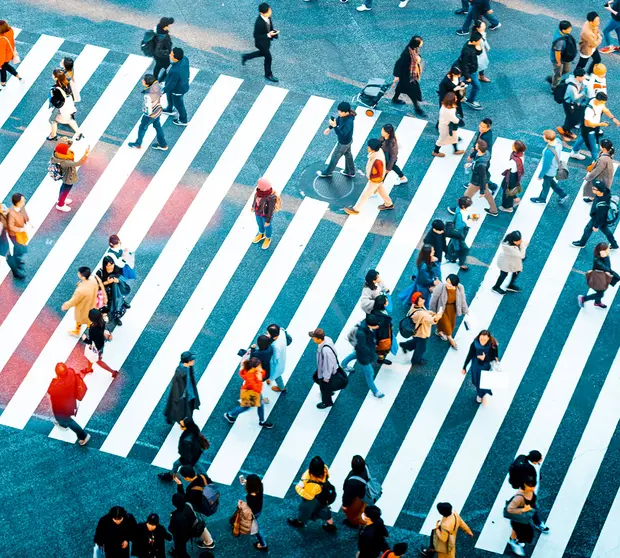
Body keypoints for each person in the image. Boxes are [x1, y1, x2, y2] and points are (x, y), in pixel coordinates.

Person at [287, 456, 337, 531]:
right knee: (324, 510)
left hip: (314, 499)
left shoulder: (310, 482)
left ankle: (300, 522)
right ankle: (331, 525)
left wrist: (299, 487)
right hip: (324, 495)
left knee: (305, 510)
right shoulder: (325, 469)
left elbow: (309, 496)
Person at [344, 139, 394, 215]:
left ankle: (355, 209)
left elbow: (378, 172)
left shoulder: (377, 160)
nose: (368, 148)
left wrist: (372, 179)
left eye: (369, 147)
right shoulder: (377, 151)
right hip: (377, 179)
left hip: (375, 179)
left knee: (365, 194)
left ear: (372, 148)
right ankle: (389, 203)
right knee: (381, 189)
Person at [341, 315, 385, 398]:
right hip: (364, 356)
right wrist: (371, 355)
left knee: (354, 354)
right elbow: (362, 349)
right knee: (369, 373)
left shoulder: (366, 324)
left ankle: (343, 364)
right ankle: (375, 391)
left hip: (365, 350)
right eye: (376, 325)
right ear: (369, 325)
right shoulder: (361, 334)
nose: (377, 326)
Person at [47, 362, 90, 445]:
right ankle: (62, 425)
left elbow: (50, 391)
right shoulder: (70, 372)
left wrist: (55, 379)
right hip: (70, 401)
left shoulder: (57, 386)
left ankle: (83, 435)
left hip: (61, 407)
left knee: (66, 419)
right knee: (62, 418)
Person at [224, 357, 274, 428]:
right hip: (250, 393)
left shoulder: (253, 372)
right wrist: (259, 378)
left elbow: (262, 373)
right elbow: (257, 388)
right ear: (254, 367)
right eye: (259, 366)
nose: (260, 367)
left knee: (259, 405)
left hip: (251, 391)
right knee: (246, 407)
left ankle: (262, 421)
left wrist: (260, 374)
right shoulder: (251, 376)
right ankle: (229, 414)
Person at [569, 92, 620, 161]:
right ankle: (597, 161)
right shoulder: (589, 110)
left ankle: (574, 152)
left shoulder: (597, 101)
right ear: (599, 101)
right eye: (603, 102)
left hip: (594, 127)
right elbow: (587, 124)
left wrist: (613, 118)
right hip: (589, 129)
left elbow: (604, 109)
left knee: (583, 137)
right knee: (594, 147)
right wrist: (601, 124)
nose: (604, 104)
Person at [572, 180, 619, 249]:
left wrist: (596, 226)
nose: (592, 189)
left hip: (597, 219)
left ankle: (582, 243)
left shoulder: (602, 205)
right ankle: (614, 245)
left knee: (588, 229)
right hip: (603, 219)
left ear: (600, 191)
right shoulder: (604, 193)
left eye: (594, 189)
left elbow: (600, 217)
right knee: (606, 231)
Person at [399, 291, 441, 365]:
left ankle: (405, 345)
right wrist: (438, 316)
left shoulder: (414, 306)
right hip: (422, 333)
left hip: (416, 331)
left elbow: (424, 313)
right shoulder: (421, 314)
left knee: (417, 342)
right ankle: (416, 360)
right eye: (421, 301)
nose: (423, 301)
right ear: (416, 302)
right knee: (421, 348)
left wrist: (429, 313)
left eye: (422, 299)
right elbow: (432, 320)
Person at [128, 73, 168, 151]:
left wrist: (147, 114)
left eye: (143, 80)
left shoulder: (147, 95)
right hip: (158, 110)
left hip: (150, 115)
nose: (142, 81)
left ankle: (138, 144)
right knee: (158, 127)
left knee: (142, 128)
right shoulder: (156, 86)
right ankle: (163, 144)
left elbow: (148, 107)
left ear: (147, 83)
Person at [317, 101, 356, 179]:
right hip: (347, 141)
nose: (339, 113)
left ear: (346, 112)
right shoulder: (343, 116)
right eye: (339, 111)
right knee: (348, 155)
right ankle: (350, 171)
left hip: (343, 143)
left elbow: (342, 134)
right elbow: (338, 120)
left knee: (335, 157)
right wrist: (329, 128)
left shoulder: (349, 122)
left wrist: (334, 126)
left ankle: (327, 172)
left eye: (340, 112)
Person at [241, 3, 279, 83]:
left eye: (270, 10)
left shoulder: (267, 17)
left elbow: (269, 26)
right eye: (268, 12)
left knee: (262, 53)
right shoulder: (259, 23)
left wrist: (273, 33)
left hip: (267, 42)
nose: (270, 12)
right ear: (262, 13)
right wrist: (268, 35)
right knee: (268, 57)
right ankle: (268, 74)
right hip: (261, 44)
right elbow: (256, 36)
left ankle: (246, 56)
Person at [529, 130, 568, 205]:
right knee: (550, 182)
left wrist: (541, 175)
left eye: (544, 137)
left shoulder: (548, 152)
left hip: (549, 171)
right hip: (555, 167)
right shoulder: (558, 141)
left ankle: (542, 199)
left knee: (545, 185)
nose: (543, 137)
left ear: (547, 139)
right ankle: (562, 194)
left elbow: (546, 166)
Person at [51, 139, 90, 212]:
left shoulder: (57, 154)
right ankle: (60, 205)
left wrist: (68, 141)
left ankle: (60, 200)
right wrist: (86, 154)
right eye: (67, 150)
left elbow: (68, 145)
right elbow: (78, 163)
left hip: (65, 176)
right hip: (69, 177)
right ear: (64, 152)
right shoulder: (65, 161)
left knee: (63, 187)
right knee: (66, 190)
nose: (68, 150)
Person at [430, 274, 468, 350]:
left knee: (451, 323)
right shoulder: (441, 287)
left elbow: (462, 299)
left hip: (452, 308)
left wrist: (465, 309)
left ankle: (439, 331)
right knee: (446, 324)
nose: (447, 284)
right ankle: (451, 339)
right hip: (442, 308)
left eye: (450, 283)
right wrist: (433, 312)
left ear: (454, 283)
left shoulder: (460, 288)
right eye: (447, 281)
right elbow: (433, 300)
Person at [61, 266, 101, 336]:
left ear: (83, 277)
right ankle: (93, 330)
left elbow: (73, 301)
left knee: (79, 320)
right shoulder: (93, 280)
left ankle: (77, 331)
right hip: (93, 304)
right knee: (90, 320)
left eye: (79, 273)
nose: (78, 273)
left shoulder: (80, 290)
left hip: (83, 308)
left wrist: (65, 306)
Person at [391, 36, 426, 117]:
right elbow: (398, 63)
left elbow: (417, 56)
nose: (421, 45)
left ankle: (395, 98)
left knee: (400, 87)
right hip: (407, 76)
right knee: (413, 92)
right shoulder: (406, 54)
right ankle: (417, 108)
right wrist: (396, 76)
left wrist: (419, 58)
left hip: (408, 74)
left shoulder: (413, 48)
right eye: (420, 43)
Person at [461, 329, 499, 404]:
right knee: (475, 381)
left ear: (488, 338)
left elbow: (495, 357)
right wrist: (464, 367)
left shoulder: (493, 345)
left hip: (486, 366)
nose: (482, 341)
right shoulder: (474, 344)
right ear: (479, 337)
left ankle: (480, 394)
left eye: (484, 340)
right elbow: (470, 355)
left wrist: (485, 358)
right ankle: (482, 392)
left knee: (482, 381)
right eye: (481, 339)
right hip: (475, 365)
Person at [164, 351, 201, 426]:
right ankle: (181, 420)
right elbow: (176, 388)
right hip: (184, 396)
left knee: (189, 408)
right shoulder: (179, 373)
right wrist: (178, 399)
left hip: (190, 393)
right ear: (187, 361)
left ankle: (183, 419)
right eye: (192, 360)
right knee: (181, 410)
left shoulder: (189, 367)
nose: (194, 361)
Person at [505, 474, 538, 556]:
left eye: (533, 486)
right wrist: (524, 509)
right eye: (530, 486)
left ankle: (513, 540)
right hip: (519, 518)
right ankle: (514, 542)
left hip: (523, 518)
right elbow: (510, 509)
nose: (533, 488)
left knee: (520, 531)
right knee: (525, 533)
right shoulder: (519, 497)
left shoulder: (529, 492)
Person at [579, 242, 619, 308]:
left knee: (601, 290)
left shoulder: (600, 257)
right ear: (601, 251)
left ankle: (597, 302)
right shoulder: (597, 259)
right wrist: (606, 257)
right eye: (606, 250)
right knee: (600, 293)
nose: (608, 251)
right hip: (599, 277)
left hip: (602, 277)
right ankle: (583, 298)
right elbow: (608, 268)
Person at [463, 139, 498, 216]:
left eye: (476, 145)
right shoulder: (486, 154)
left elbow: (483, 177)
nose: (475, 145)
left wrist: (481, 191)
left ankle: (461, 209)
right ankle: (493, 210)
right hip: (482, 179)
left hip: (477, 181)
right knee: (488, 194)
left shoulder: (481, 164)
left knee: (466, 195)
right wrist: (472, 165)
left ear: (478, 148)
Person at [81, 308, 118, 377]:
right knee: (91, 358)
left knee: (98, 361)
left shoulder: (92, 329)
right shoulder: (102, 322)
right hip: (101, 344)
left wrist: (84, 339)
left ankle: (112, 372)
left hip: (95, 347)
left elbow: (90, 341)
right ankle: (89, 369)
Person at [48, 69, 82, 141]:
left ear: (56, 77)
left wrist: (53, 101)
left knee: (52, 120)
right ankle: (79, 133)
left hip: (61, 107)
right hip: (69, 104)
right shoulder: (67, 83)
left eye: (53, 75)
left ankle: (53, 135)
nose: (52, 75)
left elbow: (58, 101)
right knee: (69, 119)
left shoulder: (56, 88)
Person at [309, 328, 339, 409]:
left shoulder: (326, 350)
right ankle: (329, 390)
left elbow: (328, 365)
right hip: (322, 369)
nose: (312, 339)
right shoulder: (327, 339)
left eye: (314, 338)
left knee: (324, 388)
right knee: (316, 378)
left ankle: (327, 403)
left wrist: (326, 377)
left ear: (319, 339)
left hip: (325, 372)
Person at [97, 255, 131, 326]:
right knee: (110, 307)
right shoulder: (100, 272)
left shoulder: (117, 268)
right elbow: (97, 285)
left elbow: (122, 278)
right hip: (106, 293)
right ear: (104, 265)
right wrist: (107, 282)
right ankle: (112, 316)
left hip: (116, 291)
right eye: (108, 265)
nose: (110, 267)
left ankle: (117, 317)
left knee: (117, 304)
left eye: (111, 264)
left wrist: (118, 281)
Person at [556, 68, 587, 141]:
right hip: (569, 104)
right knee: (571, 117)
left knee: (571, 117)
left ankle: (567, 127)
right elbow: (575, 98)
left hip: (570, 103)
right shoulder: (572, 87)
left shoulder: (574, 80)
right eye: (583, 76)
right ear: (577, 77)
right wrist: (583, 92)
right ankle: (565, 131)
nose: (584, 77)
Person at [493, 231, 527, 295]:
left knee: (516, 271)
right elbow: (522, 255)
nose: (520, 242)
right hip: (505, 262)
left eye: (520, 239)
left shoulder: (511, 241)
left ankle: (510, 285)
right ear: (513, 240)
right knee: (504, 274)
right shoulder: (508, 247)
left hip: (512, 260)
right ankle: (496, 287)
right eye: (518, 241)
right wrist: (523, 246)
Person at [162, 47, 190, 126]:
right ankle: (169, 109)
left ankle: (183, 120)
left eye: (171, 54)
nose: (170, 54)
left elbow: (172, 84)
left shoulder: (175, 71)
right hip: (181, 84)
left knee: (179, 105)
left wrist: (162, 91)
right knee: (169, 96)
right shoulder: (184, 59)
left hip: (178, 89)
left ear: (175, 58)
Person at [240, 473, 268, 551]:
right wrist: (247, 482)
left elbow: (249, 509)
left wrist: (242, 506)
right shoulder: (260, 486)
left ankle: (263, 544)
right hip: (258, 509)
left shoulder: (250, 497)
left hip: (253, 513)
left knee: (256, 530)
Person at [433, 92, 466, 157]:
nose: (456, 99)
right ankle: (435, 152)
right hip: (446, 127)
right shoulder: (449, 111)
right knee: (441, 140)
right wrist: (461, 122)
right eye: (455, 98)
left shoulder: (445, 105)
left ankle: (456, 150)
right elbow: (455, 120)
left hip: (446, 125)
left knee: (454, 137)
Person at [457, 31, 484, 111]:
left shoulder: (472, 45)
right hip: (471, 71)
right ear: (474, 41)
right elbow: (464, 65)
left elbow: (478, 53)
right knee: (477, 86)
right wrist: (467, 76)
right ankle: (470, 101)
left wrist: (478, 47)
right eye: (479, 41)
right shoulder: (466, 51)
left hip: (472, 69)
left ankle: (457, 91)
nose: (480, 42)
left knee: (465, 82)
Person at [342, 455, 371, 528]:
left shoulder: (352, 482)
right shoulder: (366, 467)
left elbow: (347, 495)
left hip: (356, 498)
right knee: (362, 507)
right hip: (364, 493)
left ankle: (354, 523)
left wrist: (345, 505)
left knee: (352, 514)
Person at [446, 196, 474, 271]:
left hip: (457, 234)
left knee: (453, 244)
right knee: (464, 249)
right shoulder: (459, 215)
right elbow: (459, 226)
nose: (470, 207)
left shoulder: (460, 209)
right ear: (463, 206)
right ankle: (461, 263)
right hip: (458, 234)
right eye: (468, 206)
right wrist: (469, 221)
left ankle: (450, 257)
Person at [499, 140, 527, 213]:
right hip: (515, 175)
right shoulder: (521, 155)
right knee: (505, 186)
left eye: (513, 145)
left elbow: (507, 167)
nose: (512, 146)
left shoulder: (513, 161)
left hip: (511, 176)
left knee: (507, 192)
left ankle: (507, 207)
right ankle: (515, 198)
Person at [6, 192, 29, 279]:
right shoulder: (11, 213)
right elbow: (11, 226)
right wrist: (20, 229)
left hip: (20, 234)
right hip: (15, 235)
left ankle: (17, 260)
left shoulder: (21, 208)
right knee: (20, 248)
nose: (24, 201)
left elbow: (24, 215)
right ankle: (16, 261)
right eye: (22, 200)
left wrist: (28, 222)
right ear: (17, 202)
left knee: (20, 248)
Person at [251, 177, 278, 250]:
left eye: (259, 185)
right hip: (257, 212)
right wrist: (253, 206)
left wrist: (268, 221)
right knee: (259, 223)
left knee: (267, 226)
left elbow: (270, 210)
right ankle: (261, 233)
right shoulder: (258, 192)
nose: (258, 186)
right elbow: (255, 199)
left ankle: (268, 238)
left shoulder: (271, 197)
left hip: (265, 215)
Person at [548, 20, 576, 90]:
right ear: (563, 30)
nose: (571, 30)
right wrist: (558, 62)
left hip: (564, 56)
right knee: (558, 74)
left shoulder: (560, 31)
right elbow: (557, 53)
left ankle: (553, 77)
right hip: (558, 59)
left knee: (566, 70)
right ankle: (554, 86)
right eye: (569, 29)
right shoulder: (560, 41)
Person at [267, 323, 292, 393]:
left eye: (268, 333)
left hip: (276, 364)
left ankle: (281, 388)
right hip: (282, 357)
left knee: (277, 375)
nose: (267, 335)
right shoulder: (281, 332)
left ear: (274, 337)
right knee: (277, 374)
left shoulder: (275, 346)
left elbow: (275, 359)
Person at [370, 295, 394, 366]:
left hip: (380, 334)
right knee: (382, 349)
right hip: (382, 336)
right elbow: (380, 329)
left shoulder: (374, 311)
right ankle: (381, 359)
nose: (387, 302)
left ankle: (380, 357)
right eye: (386, 301)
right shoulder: (382, 318)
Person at [152, 17, 174, 82]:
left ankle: (155, 78)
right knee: (166, 65)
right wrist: (168, 52)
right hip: (162, 54)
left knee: (158, 65)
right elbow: (166, 45)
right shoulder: (163, 36)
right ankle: (161, 79)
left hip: (156, 53)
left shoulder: (157, 28)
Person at [0, 20, 22, 87]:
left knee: (2, 70)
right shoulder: (10, 31)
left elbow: (1, 53)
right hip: (9, 54)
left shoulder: (2, 39)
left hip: (4, 58)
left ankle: (3, 83)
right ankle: (18, 76)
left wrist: (0, 64)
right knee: (6, 67)